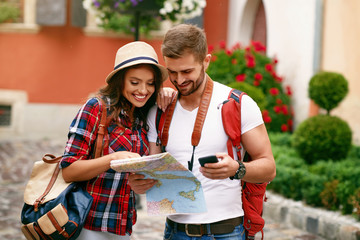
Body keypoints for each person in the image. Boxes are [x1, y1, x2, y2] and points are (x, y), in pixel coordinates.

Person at [128, 24, 276, 240]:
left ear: (206, 61)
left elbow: (269, 168)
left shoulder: (238, 104)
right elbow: (153, 170)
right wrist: (140, 183)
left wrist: (236, 169)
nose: (179, 80)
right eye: (172, 72)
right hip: (175, 231)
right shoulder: (159, 109)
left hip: (226, 232)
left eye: (187, 71)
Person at [60, 41, 172, 240]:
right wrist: (113, 159)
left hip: (122, 225)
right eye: (135, 82)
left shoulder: (143, 116)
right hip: (87, 223)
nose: (143, 90)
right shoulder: (96, 108)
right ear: (120, 81)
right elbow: (68, 170)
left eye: (150, 83)